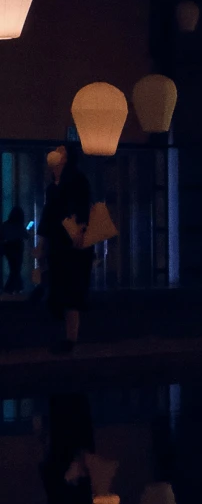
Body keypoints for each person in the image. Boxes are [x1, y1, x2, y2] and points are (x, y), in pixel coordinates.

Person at [41, 145, 93, 354]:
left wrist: (79, 230)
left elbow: (82, 207)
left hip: (73, 244)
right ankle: (63, 338)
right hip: (59, 243)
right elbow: (50, 214)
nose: (56, 152)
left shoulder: (77, 180)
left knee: (71, 290)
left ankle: (70, 340)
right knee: (59, 288)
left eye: (61, 150)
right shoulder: (54, 185)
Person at [2, 203, 29, 296]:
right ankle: (13, 288)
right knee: (16, 269)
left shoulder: (5, 224)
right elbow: (26, 236)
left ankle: (15, 288)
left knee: (14, 269)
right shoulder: (19, 225)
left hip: (8, 248)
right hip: (17, 248)